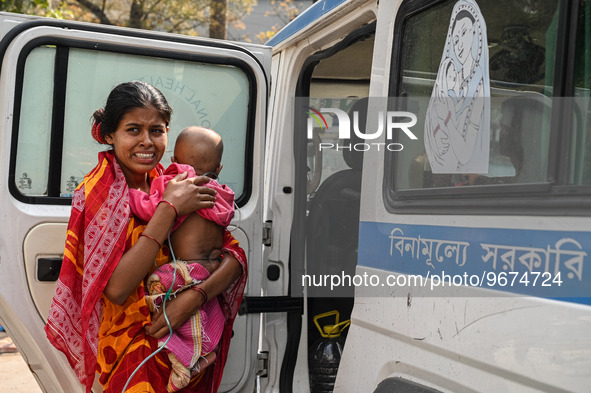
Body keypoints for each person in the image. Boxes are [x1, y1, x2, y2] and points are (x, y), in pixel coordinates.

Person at [44, 81, 247, 393]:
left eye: (157, 130)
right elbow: (116, 289)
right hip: (136, 349)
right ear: (110, 134)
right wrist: (168, 210)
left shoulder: (171, 179)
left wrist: (195, 297)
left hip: (189, 333)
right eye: (133, 130)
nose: (147, 142)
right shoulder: (99, 192)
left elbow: (232, 256)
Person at [129, 126, 235, 392]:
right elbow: (225, 222)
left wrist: (130, 194)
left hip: (187, 270)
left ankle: (183, 364)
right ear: (219, 168)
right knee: (208, 315)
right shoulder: (221, 194)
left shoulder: (176, 185)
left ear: (174, 162)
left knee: (156, 288)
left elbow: (149, 207)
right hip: (211, 267)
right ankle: (207, 353)